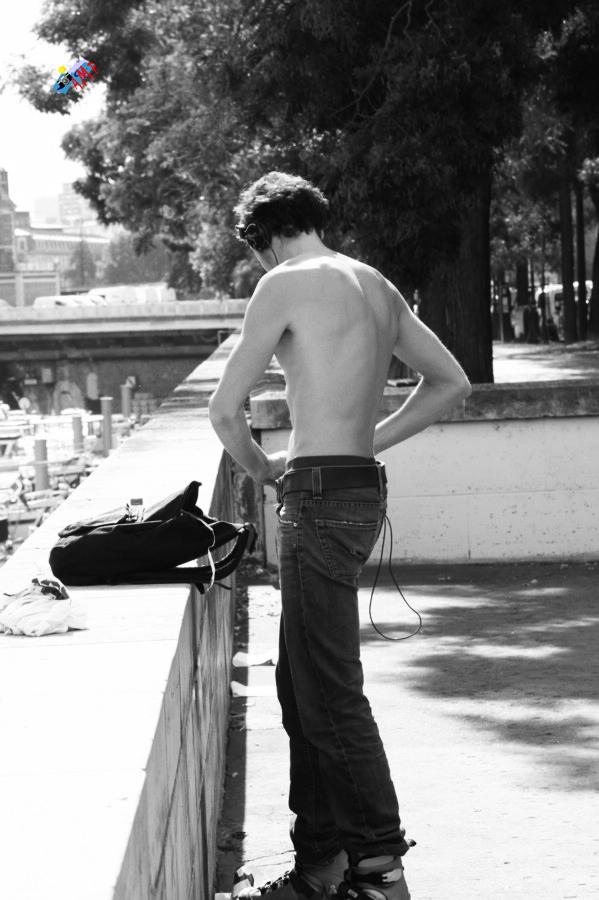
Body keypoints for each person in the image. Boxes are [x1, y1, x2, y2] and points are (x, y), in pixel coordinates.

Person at [209, 172, 472, 900]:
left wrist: (264, 468)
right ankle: (321, 862)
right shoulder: (373, 283)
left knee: (327, 691)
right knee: (300, 685)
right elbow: (450, 382)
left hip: (317, 498)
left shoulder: (282, 282)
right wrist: (367, 440)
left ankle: (378, 869)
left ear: (262, 237)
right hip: (358, 489)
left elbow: (224, 410)